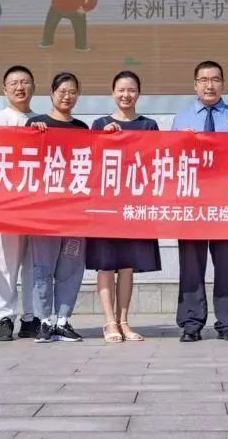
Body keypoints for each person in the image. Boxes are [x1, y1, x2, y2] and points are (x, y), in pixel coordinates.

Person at [172, 60, 228, 342]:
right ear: (195, 85)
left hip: (227, 202)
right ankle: (191, 323)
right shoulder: (181, 120)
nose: (209, 85)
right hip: (192, 203)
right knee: (191, 264)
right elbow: (172, 161)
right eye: (204, 80)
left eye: (215, 79)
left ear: (223, 84)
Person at [88, 70, 163, 344]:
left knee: (128, 266)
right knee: (106, 265)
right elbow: (90, 162)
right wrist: (103, 138)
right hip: (106, 206)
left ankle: (124, 321)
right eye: (121, 90)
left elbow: (158, 160)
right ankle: (109, 322)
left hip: (135, 206)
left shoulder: (148, 125)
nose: (126, 95)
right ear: (112, 92)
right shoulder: (100, 124)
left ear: (139, 94)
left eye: (131, 90)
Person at [27, 72, 89, 343]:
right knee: (43, 266)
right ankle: (43, 320)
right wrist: (32, 135)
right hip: (45, 213)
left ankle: (63, 320)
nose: (67, 96)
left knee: (71, 267)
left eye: (72, 91)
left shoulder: (82, 129)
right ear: (51, 93)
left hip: (75, 212)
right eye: (62, 91)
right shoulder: (36, 124)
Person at [0, 65, 40, 341]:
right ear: (5, 89)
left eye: (25, 82)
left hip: (37, 203)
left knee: (34, 262)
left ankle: (31, 317)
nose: (20, 87)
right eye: (14, 83)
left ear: (34, 87)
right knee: (6, 263)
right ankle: (4, 317)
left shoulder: (42, 120)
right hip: (8, 203)